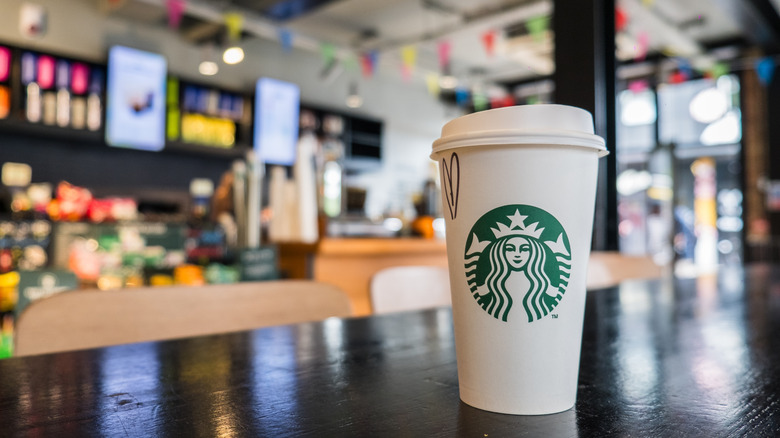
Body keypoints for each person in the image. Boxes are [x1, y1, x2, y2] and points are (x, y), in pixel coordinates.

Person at [476, 235, 562, 322]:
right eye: (510, 249)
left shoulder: (541, 281)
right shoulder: (493, 281)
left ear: (533, 253)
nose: (517, 254)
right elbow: (480, 292)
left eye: (524, 249)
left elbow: (555, 294)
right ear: (502, 253)